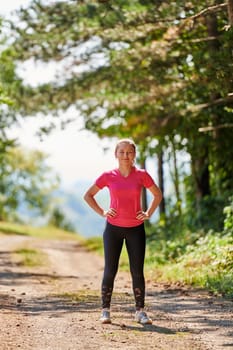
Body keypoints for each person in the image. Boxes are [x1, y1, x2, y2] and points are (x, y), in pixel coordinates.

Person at [83, 138, 162, 325]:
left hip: (136, 229)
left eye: (129, 152)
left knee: (137, 272)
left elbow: (157, 194)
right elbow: (88, 195)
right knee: (110, 270)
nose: (126, 155)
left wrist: (148, 213)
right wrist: (103, 211)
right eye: (122, 152)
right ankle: (105, 311)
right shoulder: (108, 176)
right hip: (113, 229)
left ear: (134, 154)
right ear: (116, 154)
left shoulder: (142, 175)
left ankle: (140, 312)